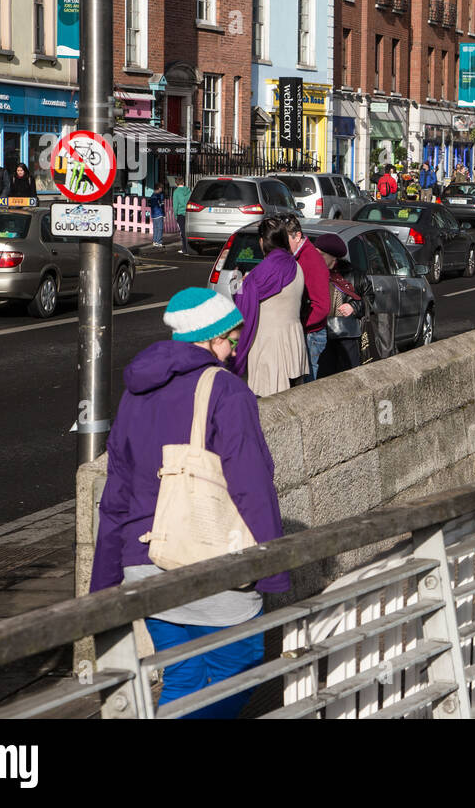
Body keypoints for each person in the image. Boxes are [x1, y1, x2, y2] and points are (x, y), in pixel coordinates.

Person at [89, 287, 289, 719]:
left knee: (182, 678)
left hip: (143, 562)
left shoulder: (135, 392)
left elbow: (116, 491)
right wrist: (272, 569)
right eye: (232, 341)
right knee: (240, 668)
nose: (235, 352)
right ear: (213, 338)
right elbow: (252, 486)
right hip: (210, 560)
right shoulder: (226, 391)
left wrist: (104, 580)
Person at [231, 215, 308, 397]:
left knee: (269, 407)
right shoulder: (296, 266)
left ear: (261, 242)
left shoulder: (261, 273)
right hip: (294, 343)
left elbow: (241, 301)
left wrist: (239, 285)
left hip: (269, 347)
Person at [283, 215, 331, 381]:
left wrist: (300, 325)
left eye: (285, 239)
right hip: (306, 331)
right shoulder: (298, 256)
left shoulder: (311, 260)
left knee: (309, 385)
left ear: (297, 236)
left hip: (311, 335)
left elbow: (322, 306)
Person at [315, 233, 368, 377]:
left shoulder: (353, 275)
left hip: (346, 335)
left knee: (349, 375)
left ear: (333, 256)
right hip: (320, 333)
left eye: (322, 255)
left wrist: (354, 307)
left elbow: (370, 301)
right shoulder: (314, 272)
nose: (317, 258)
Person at [173, 180, 192, 254]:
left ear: (176, 183)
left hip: (180, 214)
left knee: (182, 232)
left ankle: (184, 249)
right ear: (183, 183)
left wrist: (175, 215)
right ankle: (189, 248)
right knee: (187, 231)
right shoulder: (188, 190)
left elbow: (175, 205)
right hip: (188, 212)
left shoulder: (176, 192)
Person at [147, 181, 166, 247]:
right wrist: (163, 214)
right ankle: (159, 242)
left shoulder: (152, 195)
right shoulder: (160, 195)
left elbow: (150, 205)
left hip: (154, 214)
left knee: (155, 228)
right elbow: (162, 205)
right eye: (161, 188)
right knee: (160, 228)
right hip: (159, 214)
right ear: (159, 188)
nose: (162, 189)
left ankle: (155, 241)